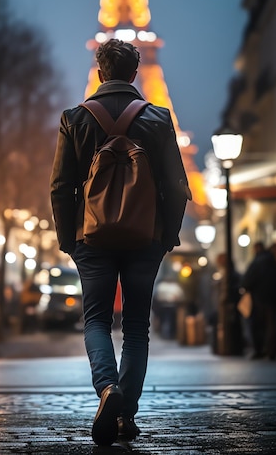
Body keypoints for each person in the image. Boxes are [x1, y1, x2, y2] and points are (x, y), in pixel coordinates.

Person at [50, 38, 190, 446]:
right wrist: (166, 236)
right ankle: (125, 412)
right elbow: (177, 186)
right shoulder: (159, 119)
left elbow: (61, 186)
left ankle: (108, 389)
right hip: (145, 235)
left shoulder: (74, 117)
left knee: (95, 319)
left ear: (100, 72)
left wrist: (67, 239)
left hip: (90, 237)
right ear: (134, 73)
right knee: (136, 327)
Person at [242, 241, 276, 359]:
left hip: (259, 298)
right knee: (272, 325)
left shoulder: (258, 262)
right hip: (273, 299)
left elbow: (247, 281)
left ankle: (260, 350)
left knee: (258, 325)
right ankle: (271, 351)